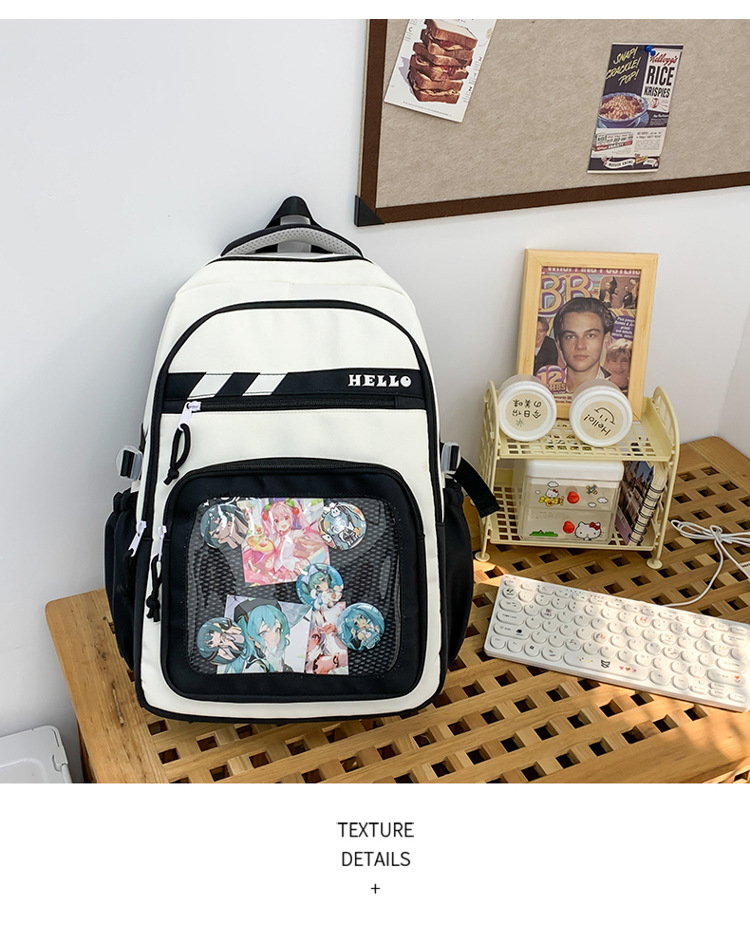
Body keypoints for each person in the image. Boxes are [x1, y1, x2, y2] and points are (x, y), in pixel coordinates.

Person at [551, 296, 614, 394]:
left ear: (606, 339)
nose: (580, 346)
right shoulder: (545, 389)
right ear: (559, 342)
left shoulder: (620, 391)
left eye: (590, 336)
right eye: (570, 337)